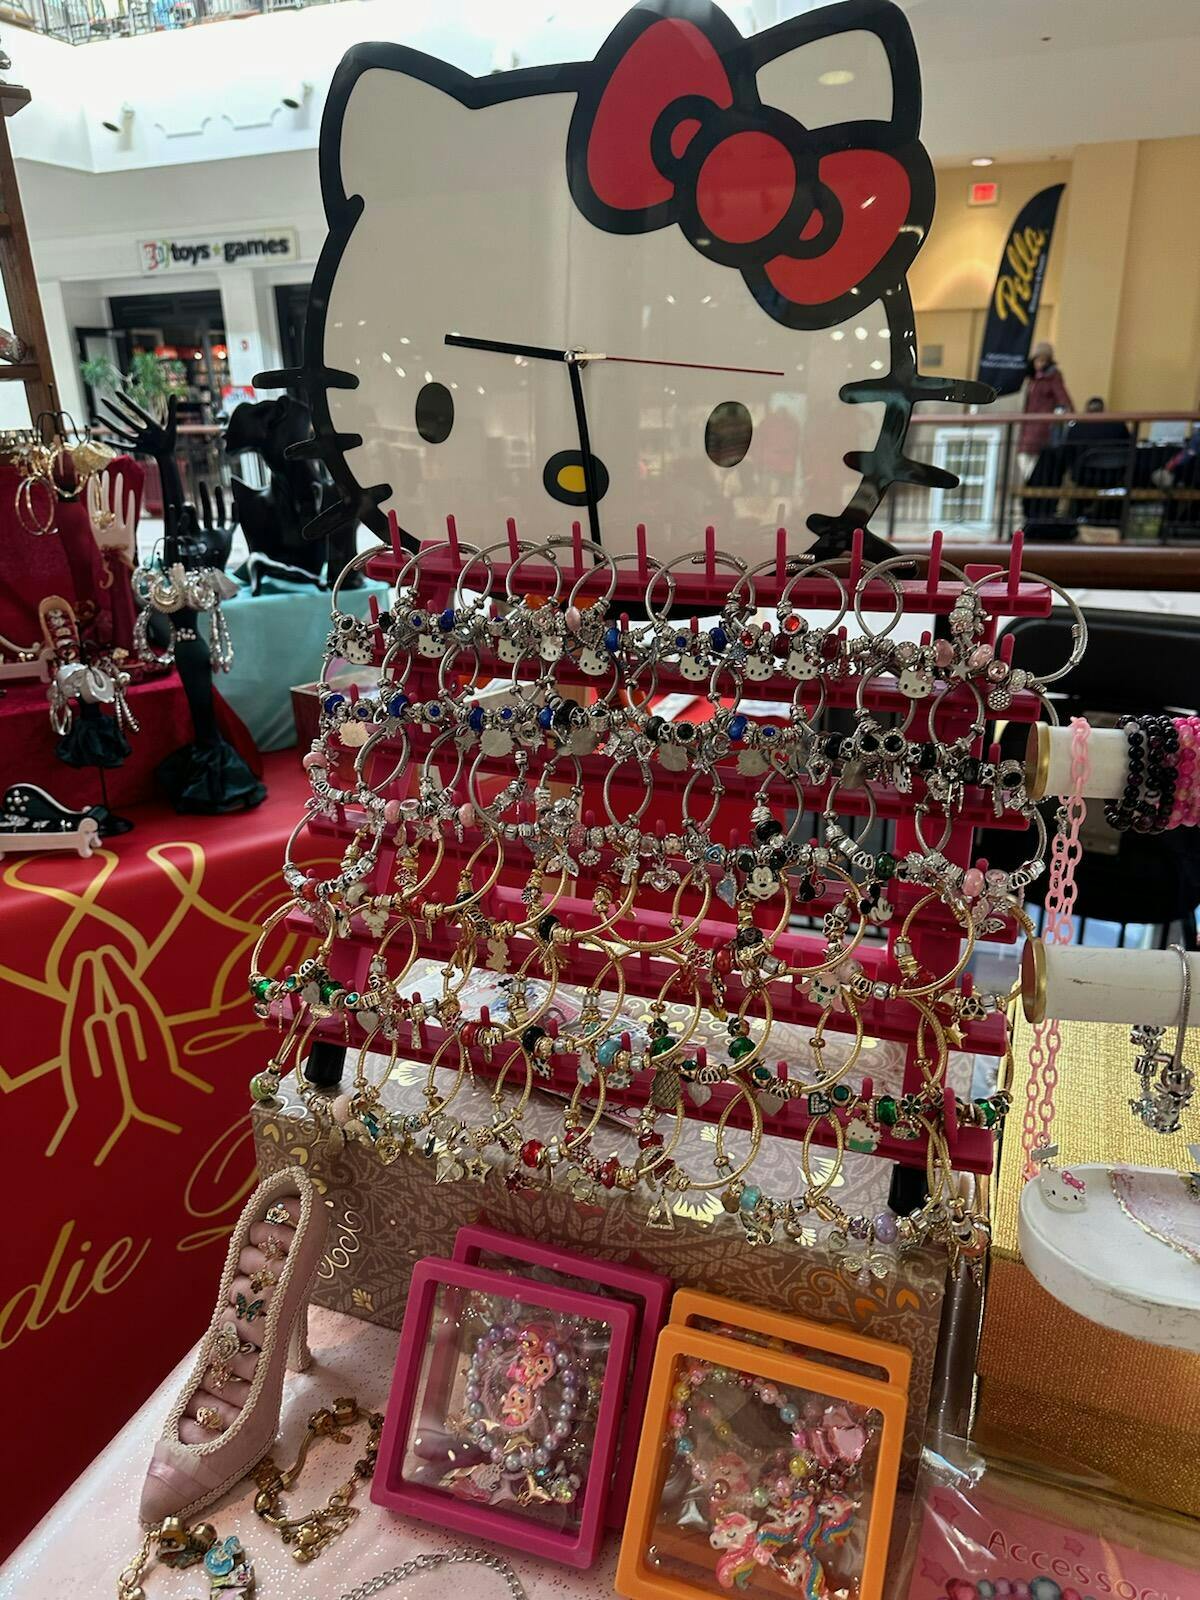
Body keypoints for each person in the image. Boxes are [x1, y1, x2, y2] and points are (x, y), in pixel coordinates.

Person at [1017, 342, 1074, 480]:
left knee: (1032, 460)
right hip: (1027, 425)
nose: (1040, 363)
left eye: (1043, 360)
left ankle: (1032, 486)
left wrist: (1069, 414)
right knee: (1024, 459)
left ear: (1049, 361)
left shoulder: (1052, 377)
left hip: (1041, 426)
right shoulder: (1032, 378)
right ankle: (1031, 485)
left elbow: (1063, 398)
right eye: (1038, 360)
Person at [1065, 396, 1130, 446]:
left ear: (1086, 410)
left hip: (1084, 459)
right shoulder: (1118, 425)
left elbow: (1068, 450)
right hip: (1114, 459)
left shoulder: (1077, 427)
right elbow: (1129, 446)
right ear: (1103, 409)